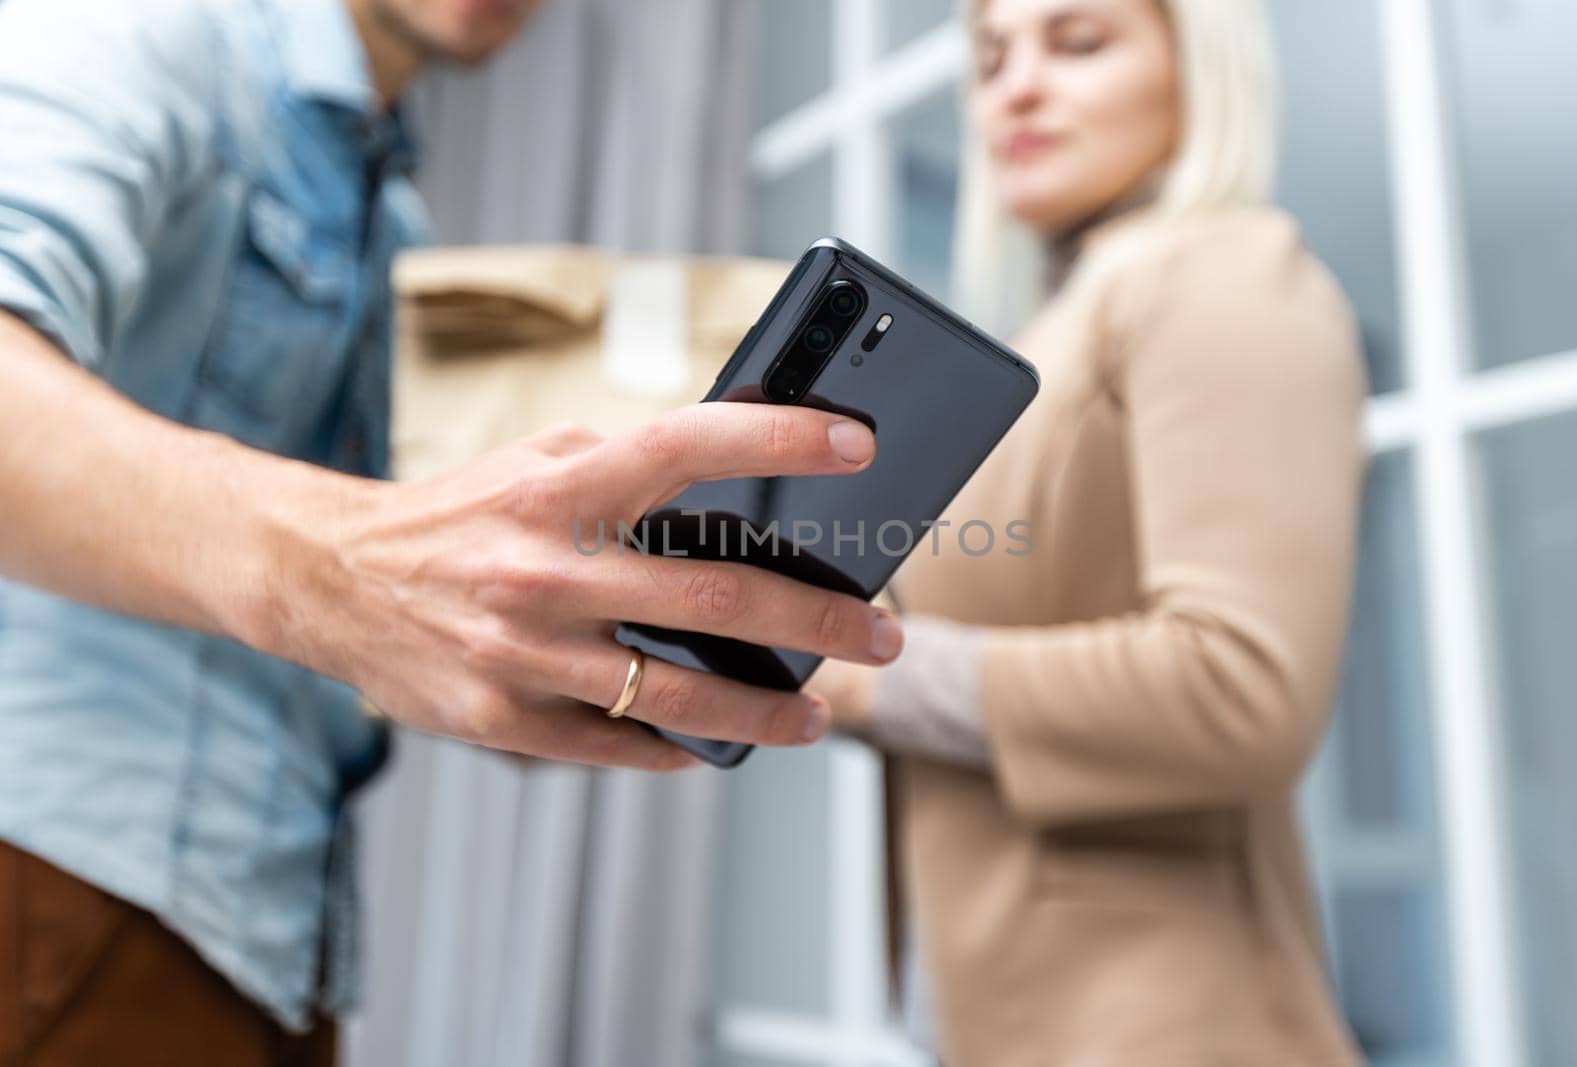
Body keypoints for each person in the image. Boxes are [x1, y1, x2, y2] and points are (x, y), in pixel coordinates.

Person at [0, 0, 904, 1062]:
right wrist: (338, 575)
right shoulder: (139, 34)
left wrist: (539, 653)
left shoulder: (396, 228)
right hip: (60, 876)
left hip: (278, 941)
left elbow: (388, 627)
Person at [808, 0, 1367, 1062]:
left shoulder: (1225, 274)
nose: (1015, 87)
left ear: (1198, 68)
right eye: (989, 58)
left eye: (1077, 43)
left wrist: (866, 678)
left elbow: (1241, 686)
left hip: (1169, 1026)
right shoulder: (1040, 339)